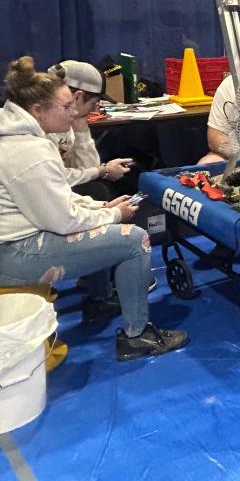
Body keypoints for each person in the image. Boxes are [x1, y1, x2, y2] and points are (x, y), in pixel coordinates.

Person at [0, 57, 188, 360]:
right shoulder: (28, 151)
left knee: (101, 218)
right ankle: (136, 337)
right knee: (134, 240)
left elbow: (59, 196)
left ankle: (101, 300)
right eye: (65, 107)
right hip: (14, 255)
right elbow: (63, 221)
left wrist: (101, 206)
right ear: (37, 110)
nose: (73, 112)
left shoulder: (21, 136)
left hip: (15, 244)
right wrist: (114, 214)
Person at [46, 60, 133, 195]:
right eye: (94, 104)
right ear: (77, 97)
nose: (94, 110)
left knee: (101, 186)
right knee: (97, 191)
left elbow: (88, 170)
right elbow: (53, 178)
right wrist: (102, 171)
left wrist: (81, 129)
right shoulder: (44, 125)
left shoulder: (67, 122)